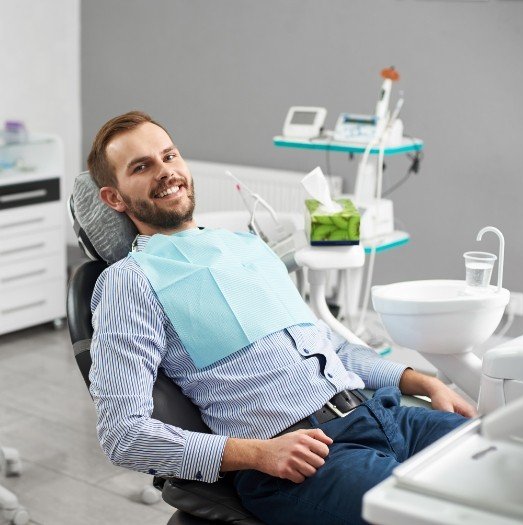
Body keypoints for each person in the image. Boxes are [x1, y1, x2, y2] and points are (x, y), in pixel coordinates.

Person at [87, 111, 476, 525]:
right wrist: (258, 453)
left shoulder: (246, 246)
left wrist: (423, 381)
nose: (165, 172)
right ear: (115, 197)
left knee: (504, 468)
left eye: (169, 156)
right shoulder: (129, 282)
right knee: (445, 517)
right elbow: (122, 434)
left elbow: (333, 348)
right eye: (142, 167)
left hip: (381, 415)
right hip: (301, 459)